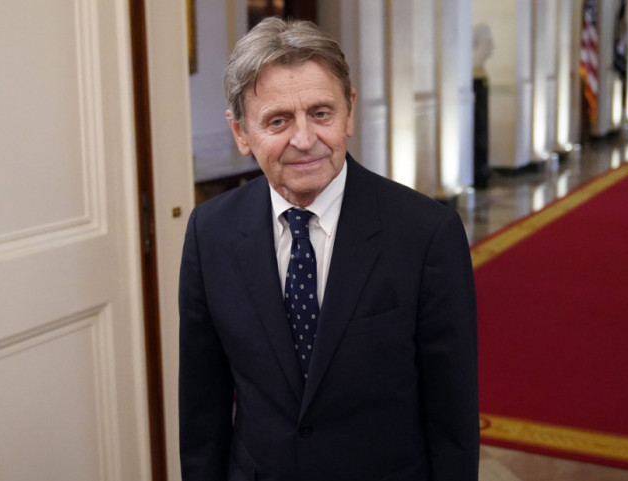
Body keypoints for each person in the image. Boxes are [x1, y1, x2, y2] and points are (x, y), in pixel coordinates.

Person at [179, 17, 479, 481]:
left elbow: (452, 416)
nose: (304, 140)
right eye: (278, 121)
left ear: (349, 112)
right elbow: (203, 407)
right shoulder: (210, 233)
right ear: (240, 133)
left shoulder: (426, 233)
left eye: (321, 113)